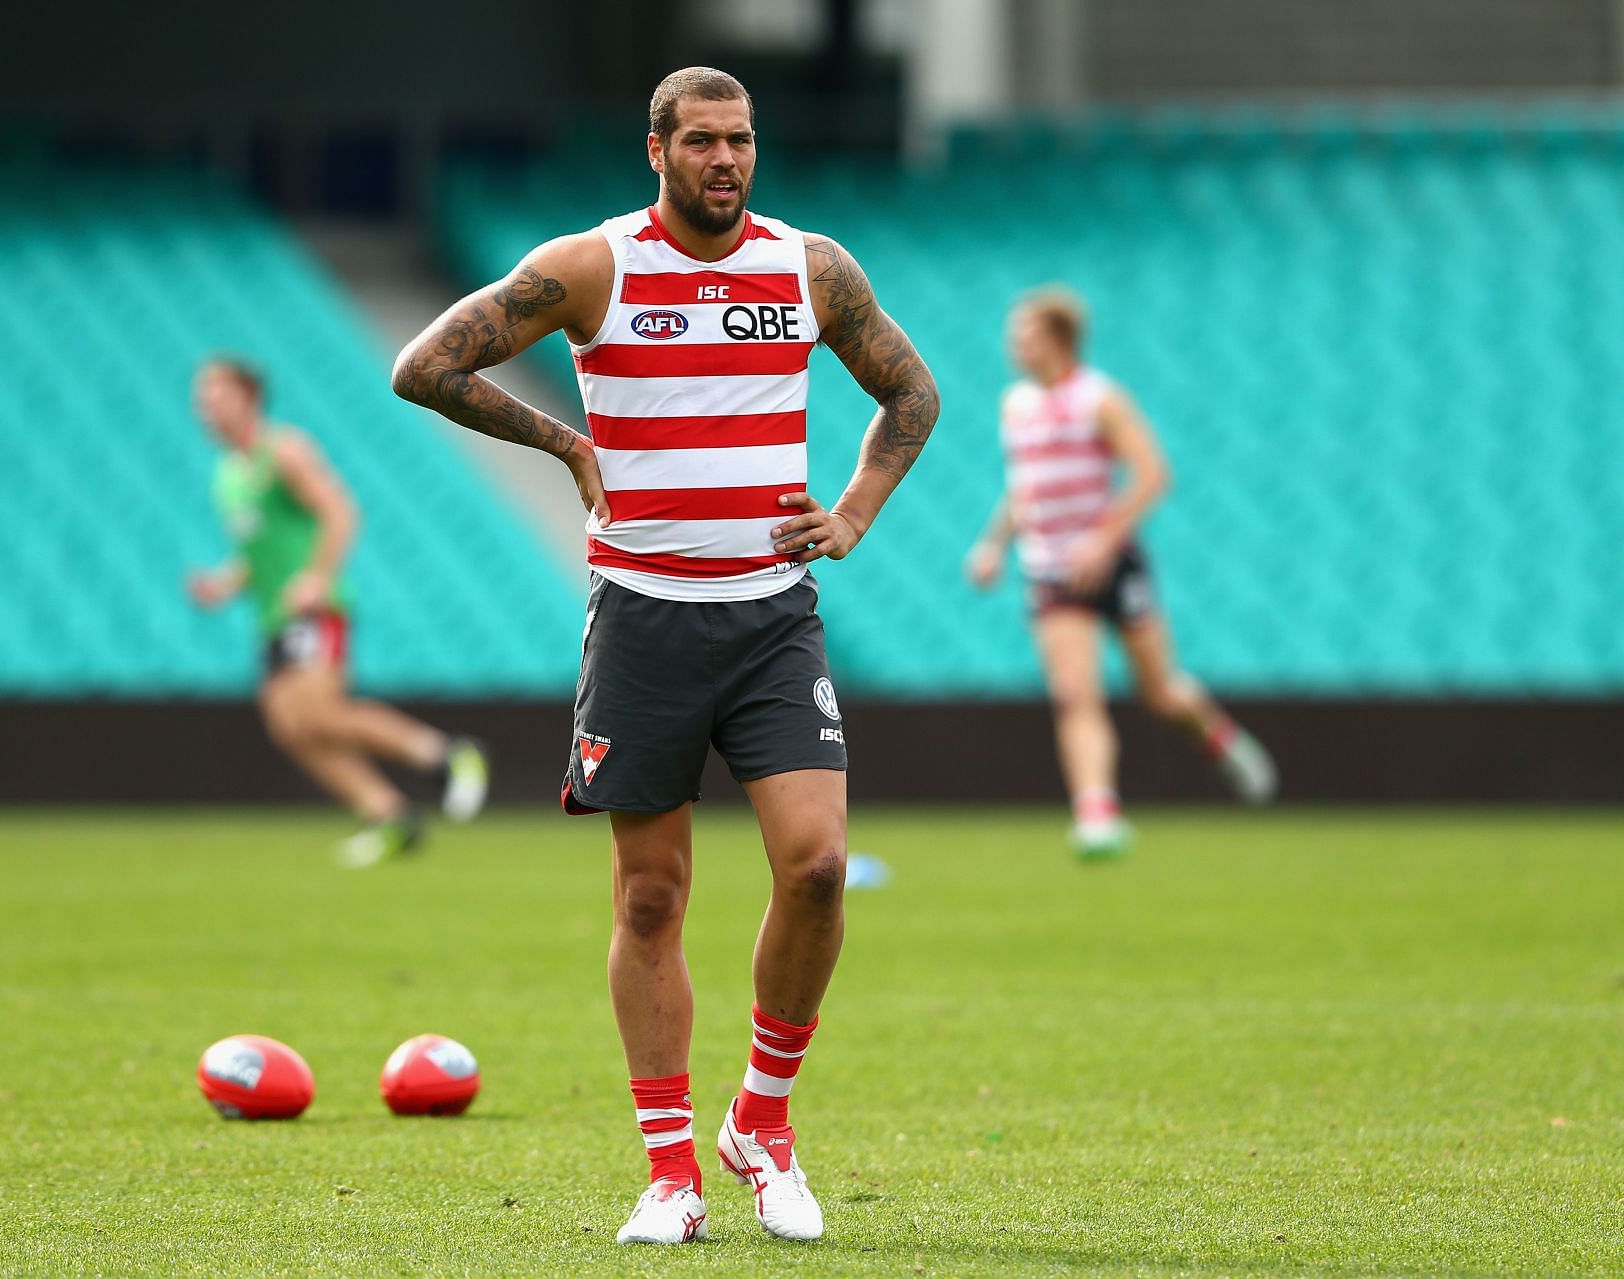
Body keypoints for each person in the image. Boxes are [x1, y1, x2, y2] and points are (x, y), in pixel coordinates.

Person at [392, 68, 938, 1245]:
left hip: (772, 617)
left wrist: (851, 514)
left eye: (740, 141)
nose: (726, 161)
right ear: (656, 150)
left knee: (819, 868)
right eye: (702, 142)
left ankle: (763, 1124)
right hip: (641, 620)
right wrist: (563, 443)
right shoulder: (593, 267)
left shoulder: (811, 267)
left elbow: (910, 392)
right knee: (651, 896)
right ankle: (672, 1171)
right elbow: (424, 364)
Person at [966, 289, 1275, 857]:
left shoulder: (1100, 399)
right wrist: (993, 545)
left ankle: (1222, 739)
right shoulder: (1015, 405)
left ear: (1058, 340)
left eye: (1025, 334)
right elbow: (1025, 487)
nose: (1013, 345)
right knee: (1074, 695)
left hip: (1114, 563)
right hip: (1052, 571)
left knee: (1161, 694)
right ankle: (1097, 814)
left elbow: (1154, 474)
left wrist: (1101, 540)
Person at [187, 356, 489, 866]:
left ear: (249, 399)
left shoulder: (283, 451)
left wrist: (318, 578)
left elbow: (340, 511)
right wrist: (226, 581)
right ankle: (389, 813)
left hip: (314, 608)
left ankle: (443, 753)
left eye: (218, 398)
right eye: (202, 401)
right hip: (272, 616)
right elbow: (261, 548)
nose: (207, 411)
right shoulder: (227, 474)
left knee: (320, 712)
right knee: (291, 727)